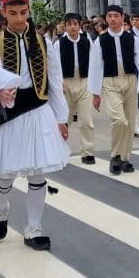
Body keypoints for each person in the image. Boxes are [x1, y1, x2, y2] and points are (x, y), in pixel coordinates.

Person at [0, 0, 70, 251]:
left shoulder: (44, 42)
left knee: (37, 172)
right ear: (3, 12)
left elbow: (54, 79)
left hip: (39, 110)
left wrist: (61, 118)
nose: (19, 18)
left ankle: (33, 228)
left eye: (23, 12)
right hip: (10, 112)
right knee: (6, 174)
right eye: (13, 13)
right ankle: (1, 208)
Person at [88, 4, 139, 175]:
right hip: (110, 81)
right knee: (118, 120)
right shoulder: (100, 41)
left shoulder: (132, 39)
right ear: (106, 19)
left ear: (122, 17)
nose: (112, 19)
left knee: (130, 121)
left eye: (116, 15)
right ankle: (115, 155)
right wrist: (95, 94)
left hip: (130, 79)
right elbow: (95, 67)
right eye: (109, 15)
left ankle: (125, 158)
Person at [58, 14, 96, 165]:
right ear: (65, 26)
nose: (73, 26)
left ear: (79, 25)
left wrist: (94, 83)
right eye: (69, 24)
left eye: (75, 23)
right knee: (64, 119)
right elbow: (54, 65)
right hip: (66, 83)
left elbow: (94, 62)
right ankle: (60, 150)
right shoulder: (59, 43)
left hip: (84, 82)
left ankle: (88, 152)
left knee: (86, 120)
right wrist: (59, 82)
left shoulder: (87, 42)